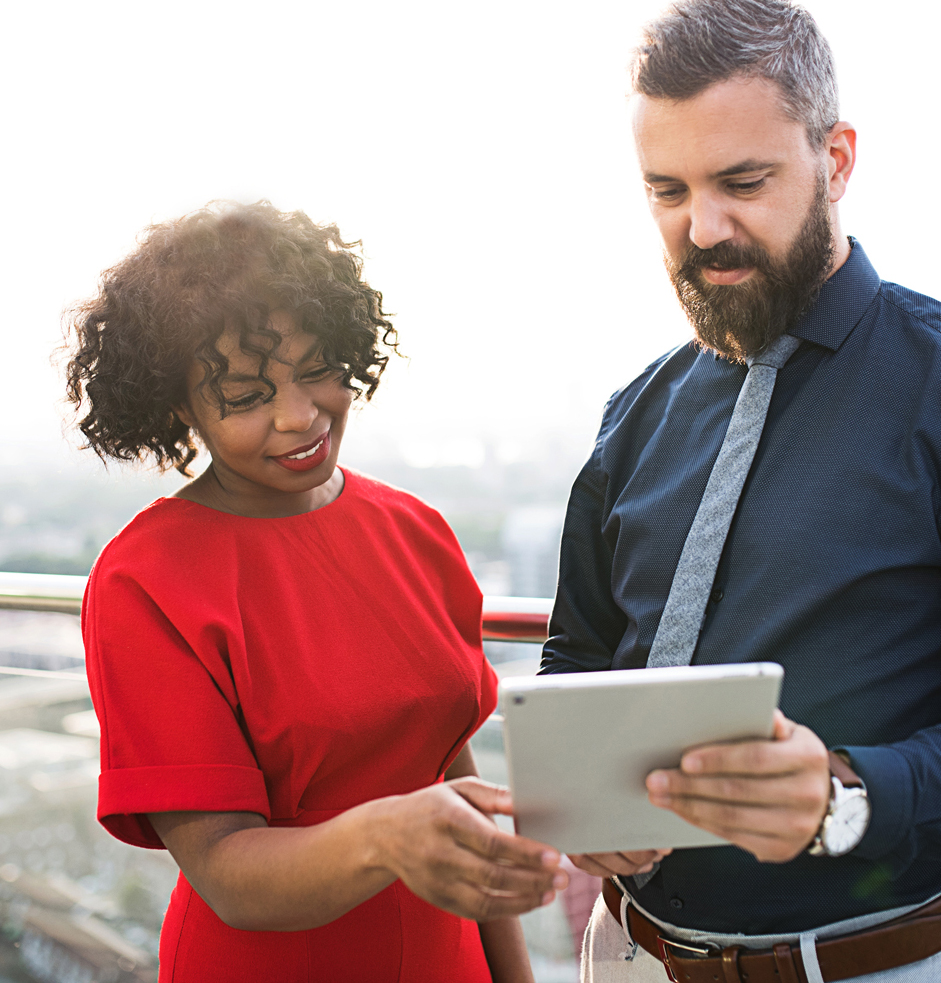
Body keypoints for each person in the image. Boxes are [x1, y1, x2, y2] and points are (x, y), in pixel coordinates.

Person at [541, 0, 941, 982]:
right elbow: (576, 658)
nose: (701, 226)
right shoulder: (632, 411)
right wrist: (581, 804)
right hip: (621, 957)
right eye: (666, 192)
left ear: (834, 159)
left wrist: (846, 794)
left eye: (741, 181)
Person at [66, 202, 566, 983]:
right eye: (244, 395)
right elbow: (227, 871)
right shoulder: (143, 581)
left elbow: (451, 775)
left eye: (313, 370)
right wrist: (389, 835)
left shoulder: (415, 529)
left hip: (448, 954)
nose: (298, 416)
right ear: (176, 408)